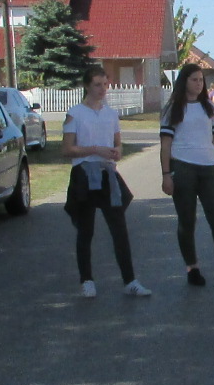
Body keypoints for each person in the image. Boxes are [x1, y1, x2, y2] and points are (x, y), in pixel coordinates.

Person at [62, 67, 150, 299]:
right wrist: (94, 149)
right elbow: (67, 149)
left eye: (105, 84)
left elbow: (117, 142)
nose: (102, 89)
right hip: (84, 174)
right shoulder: (75, 114)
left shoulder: (111, 114)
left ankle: (130, 281)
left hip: (107, 174)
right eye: (97, 85)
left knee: (119, 229)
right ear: (87, 86)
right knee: (85, 230)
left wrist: (117, 151)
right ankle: (86, 280)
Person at [160, 61, 214, 288]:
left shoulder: (210, 108)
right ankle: (192, 268)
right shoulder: (172, 109)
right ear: (184, 82)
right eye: (194, 80)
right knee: (187, 221)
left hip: (209, 169)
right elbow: (165, 145)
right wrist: (166, 174)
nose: (199, 84)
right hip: (183, 168)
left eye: (201, 80)